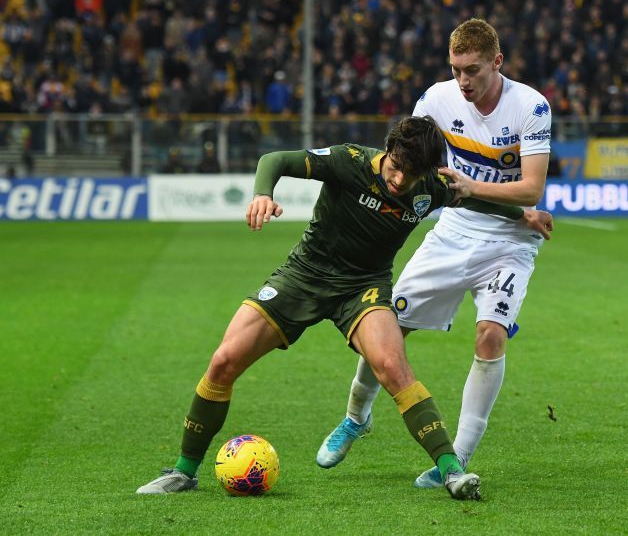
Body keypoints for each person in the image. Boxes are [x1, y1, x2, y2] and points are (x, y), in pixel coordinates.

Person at [136, 115, 539, 501]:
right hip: (304, 275)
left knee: (394, 370)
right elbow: (275, 160)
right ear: (389, 150)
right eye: (396, 167)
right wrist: (263, 193)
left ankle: (452, 471)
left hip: (363, 289)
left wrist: (524, 214)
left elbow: (472, 201)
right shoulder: (349, 162)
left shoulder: (430, 187)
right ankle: (182, 472)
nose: (399, 180)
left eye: (411, 175)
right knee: (224, 361)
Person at [316, 18, 554, 489]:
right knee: (386, 327)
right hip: (454, 229)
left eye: (473, 70)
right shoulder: (436, 100)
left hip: (509, 243)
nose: (463, 81)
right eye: (456, 70)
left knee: (490, 335)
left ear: (497, 62)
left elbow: (533, 186)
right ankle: (356, 417)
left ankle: (457, 458)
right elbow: (408, 155)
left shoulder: (531, 106)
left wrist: (481, 190)